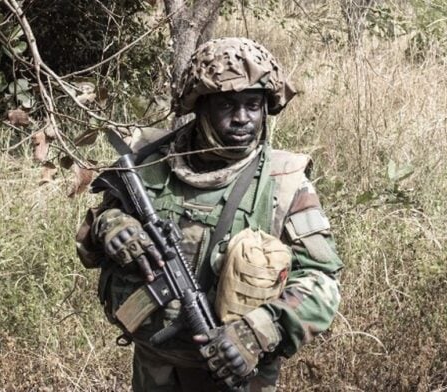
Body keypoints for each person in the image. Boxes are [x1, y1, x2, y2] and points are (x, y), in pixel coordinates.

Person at [75, 37, 343, 391]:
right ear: (201, 107)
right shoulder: (152, 163)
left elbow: (323, 282)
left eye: (252, 104)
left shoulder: (284, 181)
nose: (242, 118)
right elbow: (88, 245)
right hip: (155, 367)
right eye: (227, 105)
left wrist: (257, 331)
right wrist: (112, 225)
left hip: (235, 372)